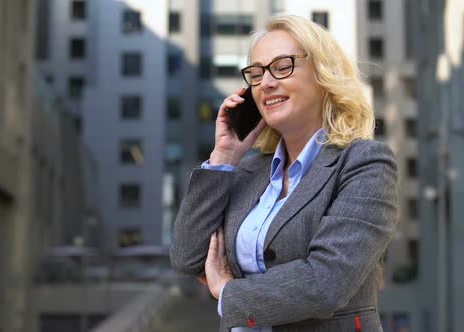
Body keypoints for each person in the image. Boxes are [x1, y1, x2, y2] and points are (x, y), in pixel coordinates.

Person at [170, 14, 398, 332]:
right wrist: (224, 155)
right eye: (256, 73)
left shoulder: (364, 163)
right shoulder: (246, 172)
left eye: (282, 67)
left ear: (323, 75)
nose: (266, 82)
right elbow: (188, 257)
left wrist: (228, 292)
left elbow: (325, 282)